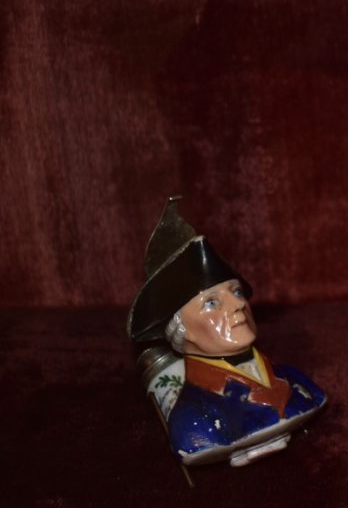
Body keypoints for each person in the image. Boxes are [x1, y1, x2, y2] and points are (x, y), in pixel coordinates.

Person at [128, 197, 326, 467]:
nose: (238, 304)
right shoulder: (193, 421)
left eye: (237, 292)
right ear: (183, 331)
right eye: (211, 303)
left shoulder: (296, 381)